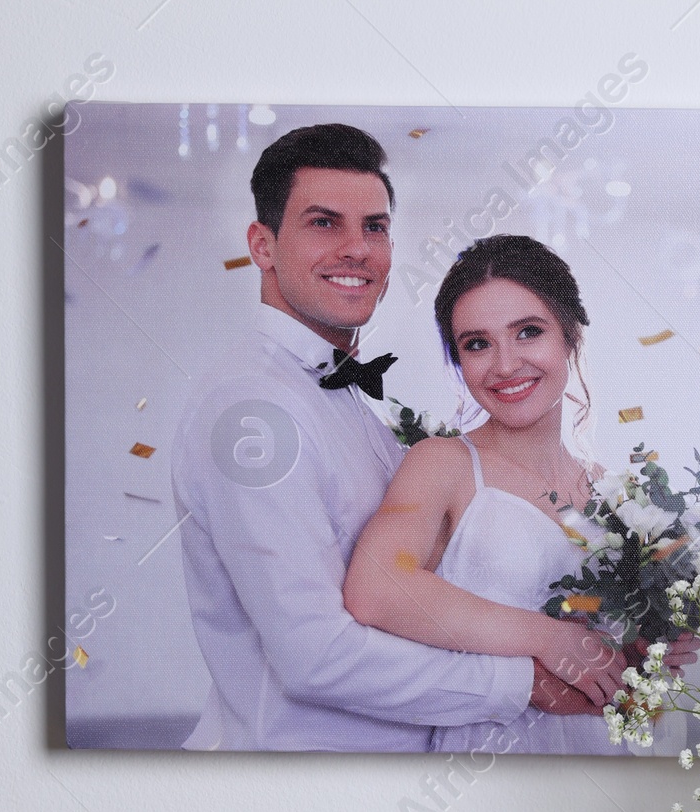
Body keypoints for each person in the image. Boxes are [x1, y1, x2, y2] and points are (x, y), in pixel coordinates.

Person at [171, 125, 611, 751]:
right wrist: (526, 679)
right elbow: (315, 653)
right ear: (262, 246)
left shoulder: (349, 402)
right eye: (325, 223)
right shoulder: (252, 412)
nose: (357, 249)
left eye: (373, 226)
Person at [344, 235, 655, 756]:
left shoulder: (615, 490)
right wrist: (548, 638)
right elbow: (375, 588)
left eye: (528, 332)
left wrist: (648, 651)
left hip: (606, 753)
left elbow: (616, 650)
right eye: (477, 343)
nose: (505, 365)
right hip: (493, 760)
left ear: (570, 336)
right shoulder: (442, 464)